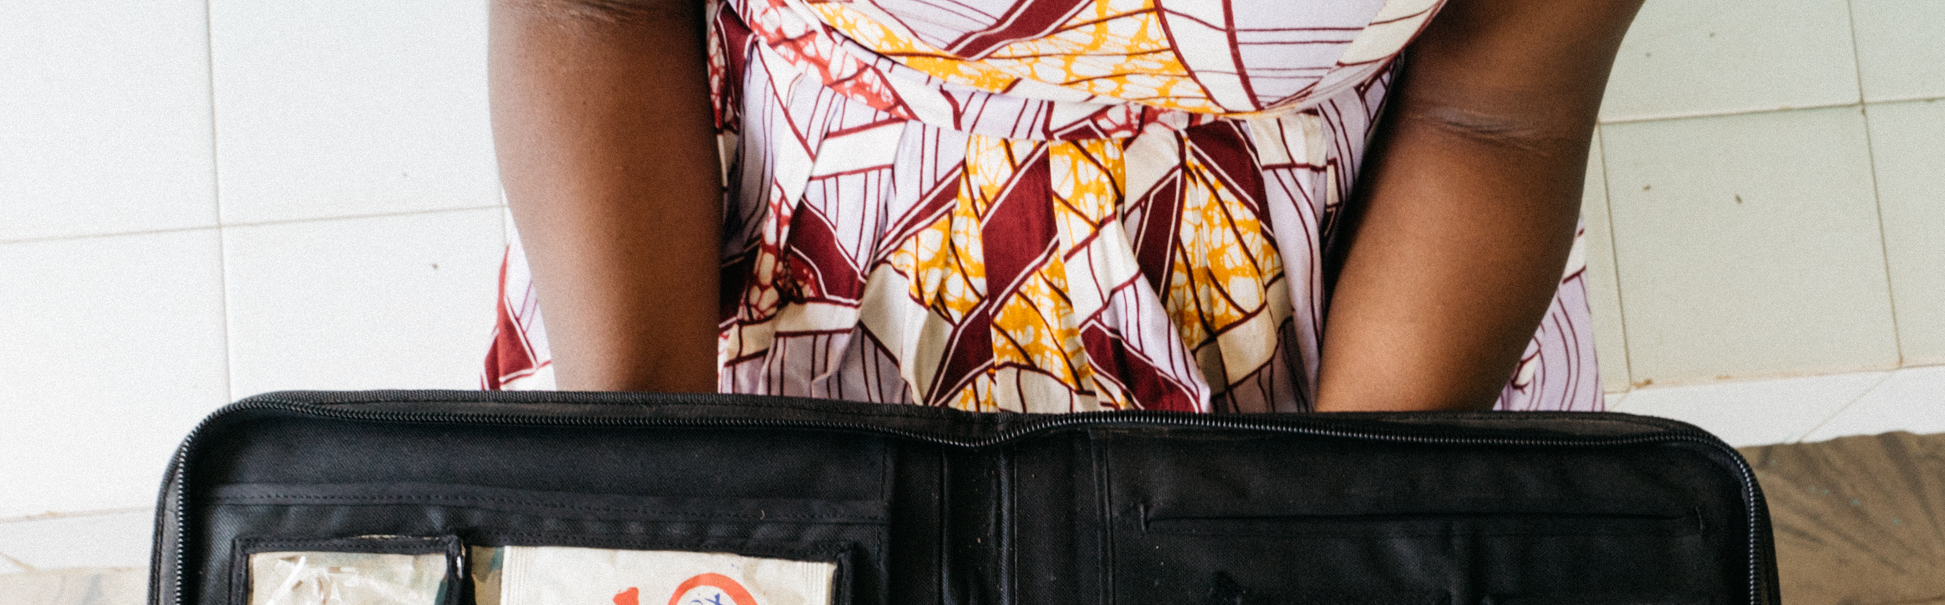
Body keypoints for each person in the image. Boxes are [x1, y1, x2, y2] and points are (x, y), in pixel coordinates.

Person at [485, 0, 1640, 413]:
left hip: (1362, 297)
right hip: (732, 252)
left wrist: (1337, 530)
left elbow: (1494, 116)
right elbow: (589, 8)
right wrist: (644, 458)